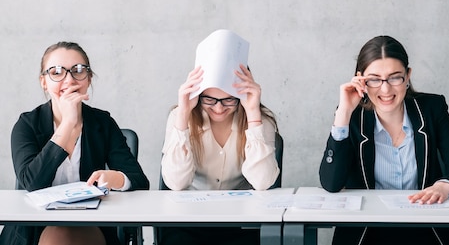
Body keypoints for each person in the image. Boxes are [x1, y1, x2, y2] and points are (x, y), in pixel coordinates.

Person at [319, 35, 449, 245]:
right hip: (368, 232)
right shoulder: (353, 117)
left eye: (395, 77)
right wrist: (343, 114)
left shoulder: (432, 108)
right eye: (374, 79)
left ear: (408, 75)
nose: (385, 89)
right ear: (361, 80)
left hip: (427, 227)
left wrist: (443, 186)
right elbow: (331, 183)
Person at [0, 41, 149, 245]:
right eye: (57, 72)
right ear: (44, 81)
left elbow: (139, 180)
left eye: (78, 70)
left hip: (92, 222)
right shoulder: (27, 124)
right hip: (35, 227)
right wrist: (67, 124)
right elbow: (32, 182)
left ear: (88, 79)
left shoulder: (103, 123)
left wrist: (116, 178)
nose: (69, 79)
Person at [159, 64, 280, 245]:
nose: (218, 108)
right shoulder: (180, 116)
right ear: (198, 95)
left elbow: (263, 182)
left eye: (229, 100)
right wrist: (184, 113)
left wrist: (253, 113)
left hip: (241, 221)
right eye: (209, 99)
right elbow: (176, 182)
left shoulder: (261, 120)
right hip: (189, 219)